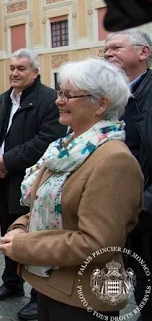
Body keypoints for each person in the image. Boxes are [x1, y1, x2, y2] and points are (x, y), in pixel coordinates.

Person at [0, 58, 142, 320]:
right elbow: (44, 203)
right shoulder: (66, 148)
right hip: (50, 287)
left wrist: (24, 246)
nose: (58, 101)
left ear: (101, 104)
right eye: (59, 92)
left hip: (81, 299)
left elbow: (97, 244)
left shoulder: (113, 160)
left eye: (68, 95)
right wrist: (19, 227)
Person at [0, 48, 66, 321]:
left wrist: (8, 161)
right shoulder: (3, 99)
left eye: (21, 69)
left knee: (33, 237)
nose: (15, 73)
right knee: (8, 233)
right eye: (12, 68)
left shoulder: (49, 99)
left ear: (35, 72)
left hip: (31, 182)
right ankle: (12, 282)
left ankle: (38, 295)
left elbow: (46, 140)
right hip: (3, 180)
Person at [104, 29, 152, 320]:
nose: (108, 54)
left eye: (116, 48)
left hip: (143, 215)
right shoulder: (107, 97)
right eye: (105, 50)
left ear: (143, 52)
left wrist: (141, 205)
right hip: (112, 214)